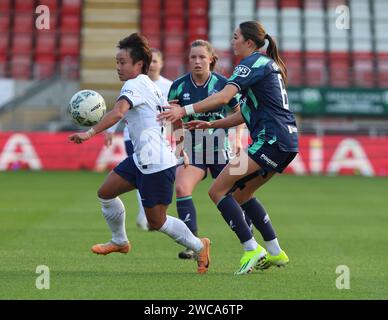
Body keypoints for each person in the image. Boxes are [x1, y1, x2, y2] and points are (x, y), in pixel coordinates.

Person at [158, 21, 298, 275]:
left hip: (270, 140)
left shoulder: (250, 64)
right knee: (242, 194)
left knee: (218, 191)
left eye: (236, 37)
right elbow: (243, 114)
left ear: (249, 43)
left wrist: (185, 110)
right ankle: (276, 252)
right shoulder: (267, 64)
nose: (232, 42)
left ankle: (251, 248)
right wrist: (211, 123)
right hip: (285, 142)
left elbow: (223, 98)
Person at [68, 33, 211, 274]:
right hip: (141, 159)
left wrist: (89, 133)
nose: (118, 67)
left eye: (122, 62)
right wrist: (179, 147)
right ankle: (120, 241)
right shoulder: (151, 86)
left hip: (156, 163)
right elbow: (174, 114)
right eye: (117, 62)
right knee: (106, 193)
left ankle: (199, 245)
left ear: (139, 64)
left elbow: (118, 113)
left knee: (157, 222)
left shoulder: (134, 85)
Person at [168, 39, 248, 260]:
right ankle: (192, 243)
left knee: (237, 194)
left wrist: (238, 140)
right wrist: (180, 146)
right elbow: (175, 120)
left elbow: (240, 113)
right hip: (193, 149)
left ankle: (250, 240)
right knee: (182, 188)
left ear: (211, 59)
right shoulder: (178, 86)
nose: (197, 61)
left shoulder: (224, 84)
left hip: (220, 147)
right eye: (193, 57)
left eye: (202, 57)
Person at [104, 48, 172, 231]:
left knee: (145, 177)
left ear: (161, 64)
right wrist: (110, 130)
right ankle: (142, 216)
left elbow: (174, 112)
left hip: (155, 143)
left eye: (156, 61)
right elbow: (120, 109)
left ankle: (149, 215)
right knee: (138, 175)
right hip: (132, 138)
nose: (153, 65)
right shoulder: (134, 84)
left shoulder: (166, 86)